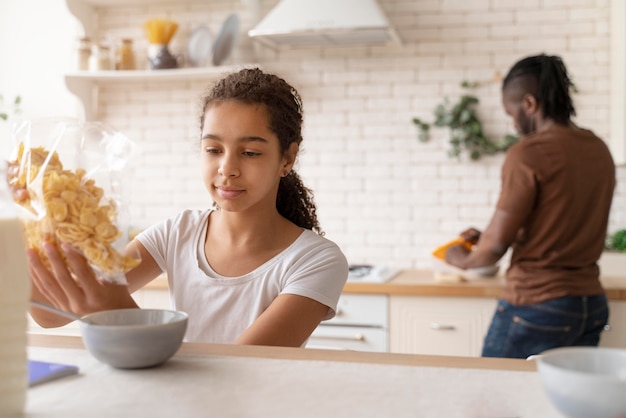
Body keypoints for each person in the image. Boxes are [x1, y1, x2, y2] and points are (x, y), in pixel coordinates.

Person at [27, 68, 349, 347]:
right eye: (213, 149)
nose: (227, 168)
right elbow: (48, 314)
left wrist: (117, 311)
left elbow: (239, 372)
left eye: (250, 152)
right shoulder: (177, 233)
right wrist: (23, 235)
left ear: (287, 158)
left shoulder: (316, 260)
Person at [444, 54, 616, 359]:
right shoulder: (598, 148)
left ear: (530, 104)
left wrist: (460, 258)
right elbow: (559, 224)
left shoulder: (529, 152)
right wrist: (486, 236)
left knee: (495, 398)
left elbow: (494, 249)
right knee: (563, 405)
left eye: (511, 113)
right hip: (590, 305)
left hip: (537, 305)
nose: (513, 123)